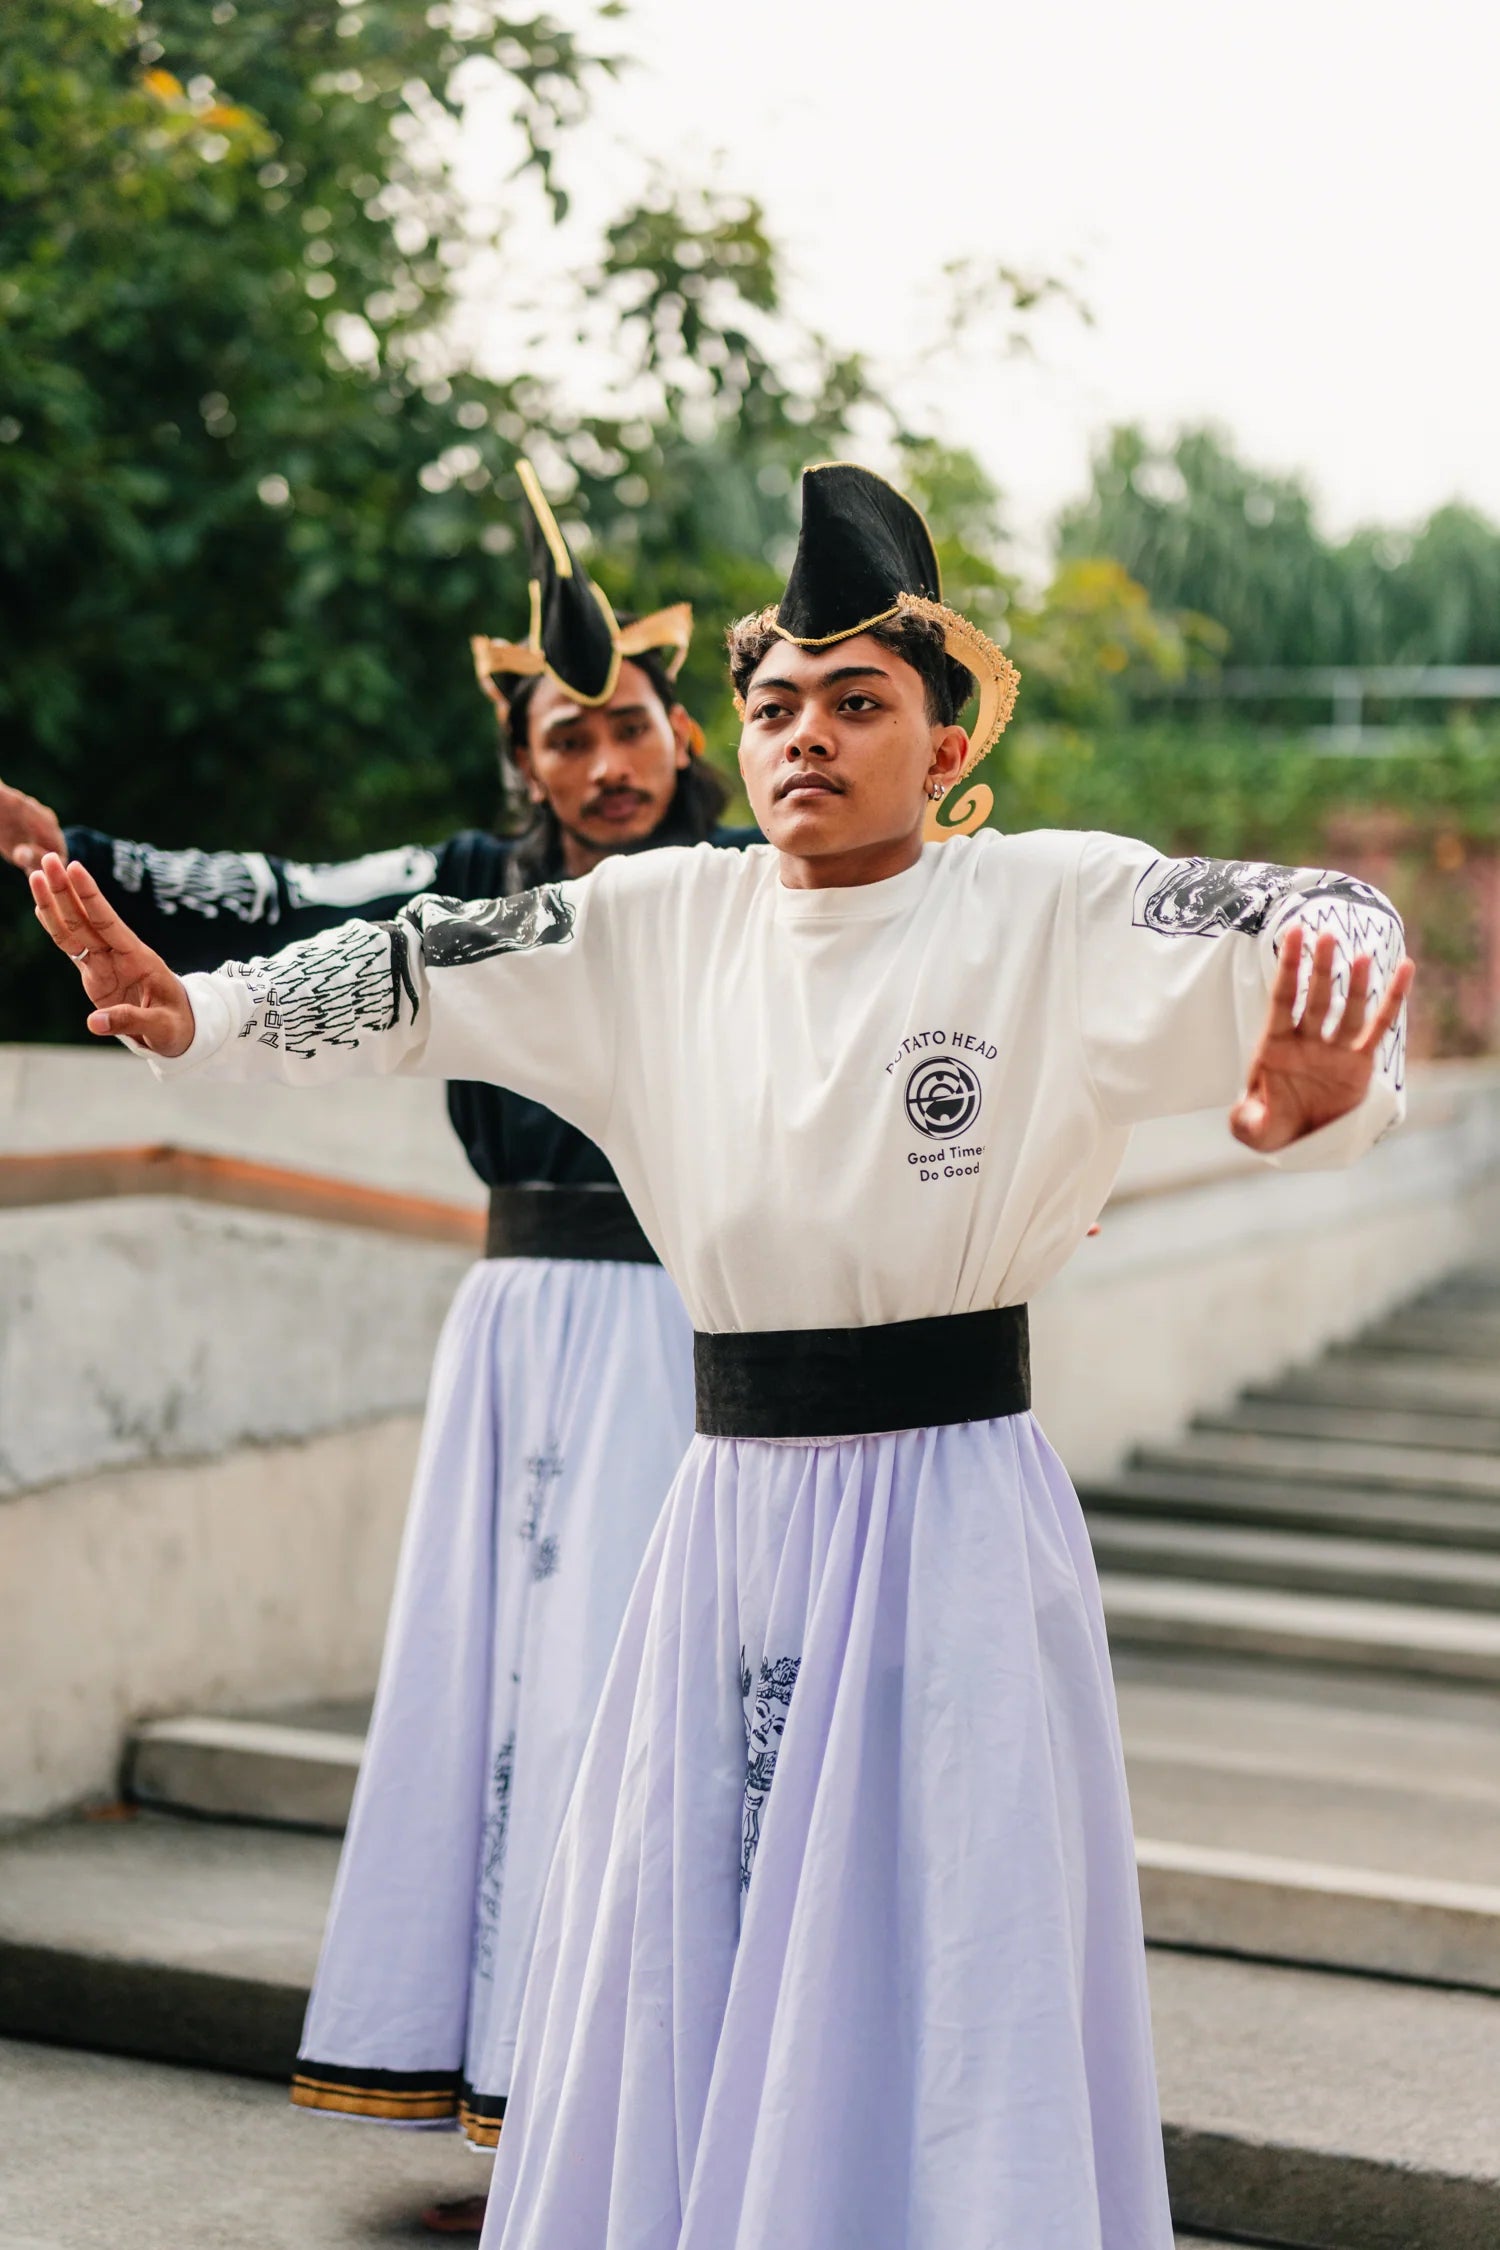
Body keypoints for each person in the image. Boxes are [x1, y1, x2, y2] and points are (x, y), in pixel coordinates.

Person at [30, 461, 1413, 2250]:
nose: (806, 735)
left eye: (860, 701)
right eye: (776, 705)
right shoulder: (654, 922)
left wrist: (1313, 1079)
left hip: (951, 1514)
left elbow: (1320, 914)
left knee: (947, 1927)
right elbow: (418, 972)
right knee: (696, 1926)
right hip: (726, 1511)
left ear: (946, 747)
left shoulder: (1051, 905)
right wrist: (193, 1009)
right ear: (735, 739)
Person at [7, 462, 752, 2236]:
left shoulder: (737, 890)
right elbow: (275, 900)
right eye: (568, 741)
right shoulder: (469, 884)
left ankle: (655, 2073)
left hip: (689, 1323)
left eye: (630, 727)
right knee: (502, 1689)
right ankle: (507, 2066)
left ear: (683, 739)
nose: (603, 766)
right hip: (517, 1319)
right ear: (530, 765)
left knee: (635, 1696)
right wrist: (70, 856)